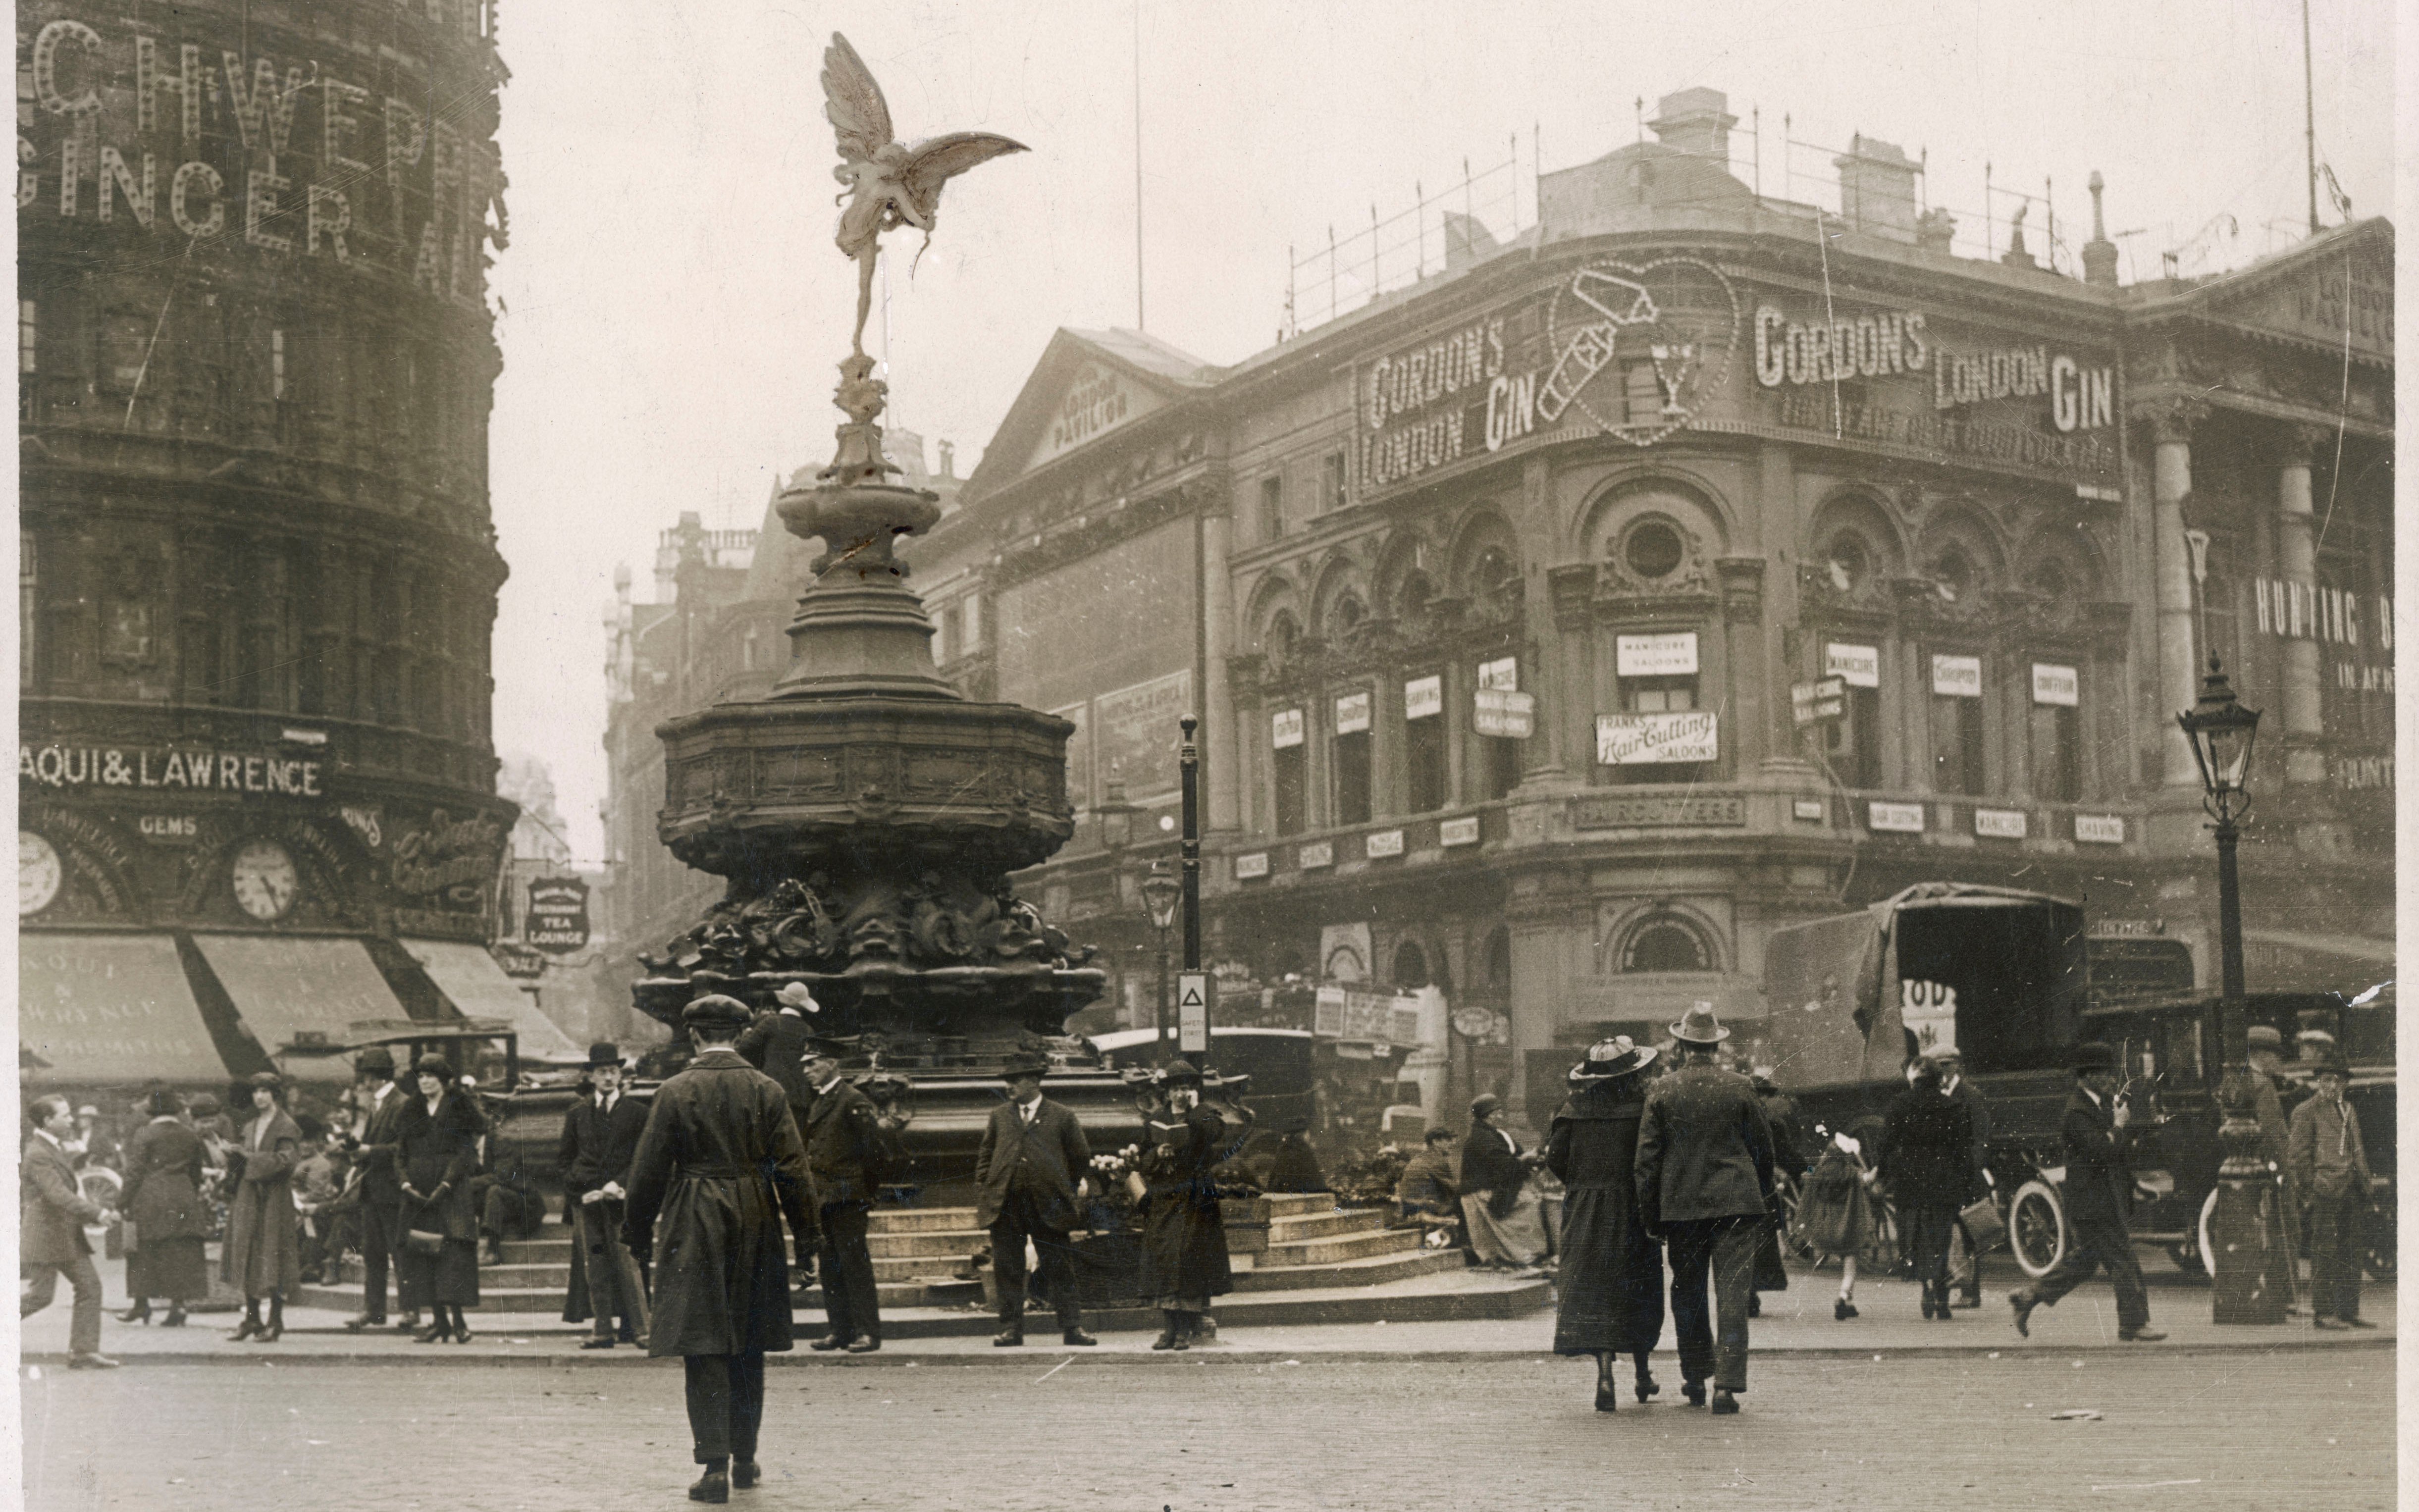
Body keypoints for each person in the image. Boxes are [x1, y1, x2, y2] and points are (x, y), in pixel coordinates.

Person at [620, 994, 815, 1504]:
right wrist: (808, 1240)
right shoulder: (767, 1089)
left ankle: (713, 1468)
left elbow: (646, 1173)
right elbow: (794, 1170)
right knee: (750, 1337)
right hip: (755, 1212)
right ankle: (746, 1457)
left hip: (693, 1213)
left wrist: (637, 1233)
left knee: (704, 1339)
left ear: (695, 1035)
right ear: (742, 1032)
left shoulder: (674, 1090)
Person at [1634, 1003, 1776, 1415]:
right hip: (1736, 1203)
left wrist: (1651, 1215)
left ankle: (1696, 1376)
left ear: (1680, 1045)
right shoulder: (1741, 1086)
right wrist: (1760, 1193)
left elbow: (1646, 1160)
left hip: (1682, 1208)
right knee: (1733, 1294)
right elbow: (1762, 1148)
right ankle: (1727, 1387)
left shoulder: (1661, 1089)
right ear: (1716, 1046)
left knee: (1689, 1292)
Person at [2008, 1043, 2164, 1342]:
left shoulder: (2099, 1106)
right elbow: (2103, 1151)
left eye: (2108, 1072)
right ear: (2086, 1076)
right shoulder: (2077, 1113)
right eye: (2102, 1073)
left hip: (2100, 1199)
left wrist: (2134, 1185)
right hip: (2094, 1203)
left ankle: (2028, 1296)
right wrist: (2119, 1126)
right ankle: (2134, 1324)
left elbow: (2115, 1157)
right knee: (2123, 1260)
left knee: (2085, 1262)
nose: (2110, 1078)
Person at [1546, 1037, 1665, 1412]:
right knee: (1638, 1285)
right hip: (1632, 1206)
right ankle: (1643, 1374)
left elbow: (1555, 1158)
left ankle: (1605, 1377)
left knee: (1596, 1289)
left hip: (1585, 1210)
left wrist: (1582, 1185)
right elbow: (1652, 1157)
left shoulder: (1574, 1108)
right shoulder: (1642, 1108)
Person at [974, 1049, 1096, 1348]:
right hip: (1007, 1205)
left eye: (1015, 1080)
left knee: (1058, 1266)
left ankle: (1072, 1327)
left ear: (1033, 1081)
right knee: (1008, 1268)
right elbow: (985, 1157)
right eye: (1008, 1081)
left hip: (1048, 1205)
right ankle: (1011, 1329)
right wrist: (986, 1188)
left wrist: (1062, 1188)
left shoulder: (1062, 1116)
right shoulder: (1000, 1116)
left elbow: (1080, 1157)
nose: (1009, 1086)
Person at [1136, 1061, 1235, 1351]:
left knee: (1189, 1257)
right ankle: (1168, 1326)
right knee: (1165, 1258)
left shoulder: (1203, 1116)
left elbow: (1217, 1134)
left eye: (1186, 1088)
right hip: (1165, 1196)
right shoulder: (1157, 1119)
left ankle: (1186, 1328)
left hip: (1194, 1197)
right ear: (1167, 1092)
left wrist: (1197, 1110)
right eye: (1176, 1088)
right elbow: (1143, 1157)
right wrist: (1157, 1152)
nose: (1181, 1093)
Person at [562, 1042, 655, 1349]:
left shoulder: (638, 1113)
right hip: (588, 1203)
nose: (608, 1077)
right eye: (602, 1072)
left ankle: (643, 1331)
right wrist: (581, 1192)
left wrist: (620, 1185)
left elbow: (643, 1159)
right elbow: (565, 1160)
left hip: (621, 1202)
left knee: (629, 1265)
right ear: (591, 1077)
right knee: (596, 1266)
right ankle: (602, 1331)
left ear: (621, 1076)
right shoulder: (577, 1114)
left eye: (613, 1071)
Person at [21, 1093, 119, 1367]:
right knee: (41, 1297)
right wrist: (97, 1212)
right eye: (65, 1115)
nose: (71, 1119)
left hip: (62, 1236)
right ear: (48, 1120)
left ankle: (84, 1352)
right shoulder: (39, 1153)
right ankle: (83, 1351)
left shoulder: (52, 1147)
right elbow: (58, 1195)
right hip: (47, 1236)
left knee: (89, 1287)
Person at [800, 1043, 886, 1353]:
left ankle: (867, 1333)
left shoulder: (853, 1100)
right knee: (830, 1265)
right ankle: (840, 1330)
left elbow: (873, 1153)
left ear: (832, 1064)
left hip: (848, 1196)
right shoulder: (822, 1101)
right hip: (824, 1197)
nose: (807, 1071)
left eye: (813, 1064)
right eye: (805, 1065)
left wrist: (865, 1193)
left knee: (854, 1265)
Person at [1880, 1052, 1978, 1321]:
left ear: (1914, 1081)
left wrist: (1882, 1172)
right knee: (1941, 1239)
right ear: (1938, 1080)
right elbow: (1963, 1151)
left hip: (1910, 1181)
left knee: (1916, 1237)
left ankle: (1925, 1288)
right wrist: (1966, 1182)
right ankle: (1942, 1294)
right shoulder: (1953, 1107)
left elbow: (1886, 1144)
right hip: (1943, 1181)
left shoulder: (1900, 1105)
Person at [396, 1054, 484, 1344]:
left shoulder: (459, 1108)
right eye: (420, 1076)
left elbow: (465, 1153)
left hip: (451, 1192)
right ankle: (439, 1322)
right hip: (418, 1194)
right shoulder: (411, 1110)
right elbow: (400, 1154)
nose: (424, 1081)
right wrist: (406, 1184)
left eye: (430, 1076)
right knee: (424, 1254)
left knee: (453, 1257)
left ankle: (459, 1322)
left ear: (444, 1080)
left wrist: (446, 1184)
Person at [2288, 1052, 2374, 1331]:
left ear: (2346, 1084)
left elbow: (2357, 1149)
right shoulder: (2306, 1111)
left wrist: (2365, 1182)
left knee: (2352, 1251)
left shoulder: (2349, 1110)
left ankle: (2348, 1311)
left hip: (2351, 1188)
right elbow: (2298, 1157)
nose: (2332, 1086)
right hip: (2325, 1190)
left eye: (2338, 1081)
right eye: (2326, 1080)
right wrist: (2312, 1189)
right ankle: (2323, 1313)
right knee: (2324, 1252)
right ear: (2318, 1082)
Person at [222, 1073, 304, 1344]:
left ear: (275, 1095)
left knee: (273, 1253)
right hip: (249, 1196)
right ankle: (252, 1318)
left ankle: (276, 1319)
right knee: (247, 1250)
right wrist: (233, 1159)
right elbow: (248, 1161)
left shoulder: (286, 1126)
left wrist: (249, 1158)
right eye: (256, 1092)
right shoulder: (250, 1126)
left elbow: (286, 1162)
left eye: (265, 1091)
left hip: (274, 1198)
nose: (259, 1097)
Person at [342, 1047, 419, 1335]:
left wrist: (367, 1150)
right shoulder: (380, 1103)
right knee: (373, 1252)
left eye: (365, 1077)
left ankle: (409, 1310)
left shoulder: (401, 1104)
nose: (363, 1083)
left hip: (392, 1190)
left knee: (400, 1252)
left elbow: (403, 1148)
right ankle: (375, 1310)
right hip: (374, 1189)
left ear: (373, 1077)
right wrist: (357, 1151)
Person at [117, 1088, 208, 1327]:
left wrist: (123, 1200)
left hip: (151, 1196)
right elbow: (197, 1172)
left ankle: (141, 1305)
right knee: (179, 1252)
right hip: (183, 1194)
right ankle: (178, 1307)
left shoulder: (145, 1134)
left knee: (144, 1251)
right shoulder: (190, 1135)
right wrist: (190, 1192)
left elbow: (135, 1172)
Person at [2245, 1025, 2302, 1312]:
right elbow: (2273, 1135)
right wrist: (2284, 1172)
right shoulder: (2263, 1085)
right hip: (2273, 1169)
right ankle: (2286, 1296)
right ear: (2261, 1054)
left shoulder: (2243, 1079)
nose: (2278, 1061)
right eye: (2275, 1054)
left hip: (2253, 1168)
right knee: (2284, 1229)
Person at [1459, 1094, 1549, 1271]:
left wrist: (1530, 1159)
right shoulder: (1482, 1138)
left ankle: (1529, 1254)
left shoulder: (1495, 1134)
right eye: (1498, 1112)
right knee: (1529, 1205)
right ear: (1488, 1115)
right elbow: (1504, 1165)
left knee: (1532, 1201)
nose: (1501, 1116)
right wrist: (1525, 1159)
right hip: (1481, 1193)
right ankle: (1527, 1255)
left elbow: (1510, 1161)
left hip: (1495, 1188)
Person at [1799, 1125, 1881, 1318]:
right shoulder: (1851, 1173)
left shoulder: (1818, 1171)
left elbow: (1807, 1173)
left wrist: (1811, 1168)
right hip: (1846, 1228)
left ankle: (1849, 1304)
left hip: (1824, 1226)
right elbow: (1868, 1179)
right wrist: (1877, 1169)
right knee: (1850, 1267)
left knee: (1847, 1263)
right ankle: (1843, 1297)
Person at [1934, 1047, 1992, 1308]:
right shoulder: (1939, 1096)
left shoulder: (1971, 1096)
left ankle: (1971, 1293)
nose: (1943, 1070)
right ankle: (1961, 1288)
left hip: (1966, 1173)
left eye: (1947, 1065)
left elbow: (1980, 1138)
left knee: (1969, 1231)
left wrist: (1972, 1168)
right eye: (1939, 1066)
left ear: (1957, 1065)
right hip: (1945, 1173)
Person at [1746, 1073, 1801, 1318]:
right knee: (1762, 1241)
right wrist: (1812, 1169)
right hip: (1766, 1187)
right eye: (1764, 1096)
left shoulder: (1738, 1122)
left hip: (1743, 1188)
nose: (1766, 1101)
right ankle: (1752, 1291)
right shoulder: (1774, 1124)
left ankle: (1747, 1292)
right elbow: (1790, 1159)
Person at [736, 983, 821, 1123]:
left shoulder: (771, 1022)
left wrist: (749, 1029)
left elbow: (743, 1048)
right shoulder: (808, 1030)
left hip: (771, 1093)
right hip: (800, 1096)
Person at [291, 1117, 345, 1285]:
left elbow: (316, 1194)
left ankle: (310, 1265)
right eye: (302, 1142)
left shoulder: (319, 1163)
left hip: (308, 1207)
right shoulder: (296, 1159)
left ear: (317, 1142)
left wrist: (297, 1199)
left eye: (310, 1142)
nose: (306, 1146)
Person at [1394, 1127, 1460, 1232]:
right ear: (1436, 1142)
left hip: (1408, 1206)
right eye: (1447, 1140)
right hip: (1424, 1206)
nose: (1451, 1144)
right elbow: (1454, 1188)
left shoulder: (1422, 1157)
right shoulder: (1436, 1160)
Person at [1261, 1117, 1328, 1194]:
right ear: (1304, 1134)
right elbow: (1317, 1183)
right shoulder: (1304, 1150)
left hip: (1281, 1194)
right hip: (1303, 1195)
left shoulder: (1284, 1149)